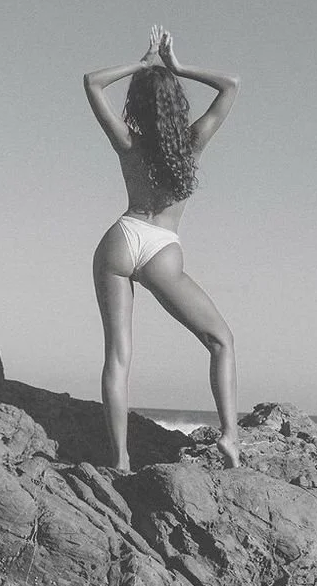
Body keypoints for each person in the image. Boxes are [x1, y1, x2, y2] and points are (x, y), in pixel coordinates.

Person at [83, 25, 241, 470]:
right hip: (161, 251)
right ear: (177, 104)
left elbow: (92, 82)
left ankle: (120, 459)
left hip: (121, 238)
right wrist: (178, 66)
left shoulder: (127, 143)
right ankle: (230, 436)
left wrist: (143, 62)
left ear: (135, 105)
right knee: (221, 341)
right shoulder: (192, 143)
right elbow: (231, 84)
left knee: (117, 358)